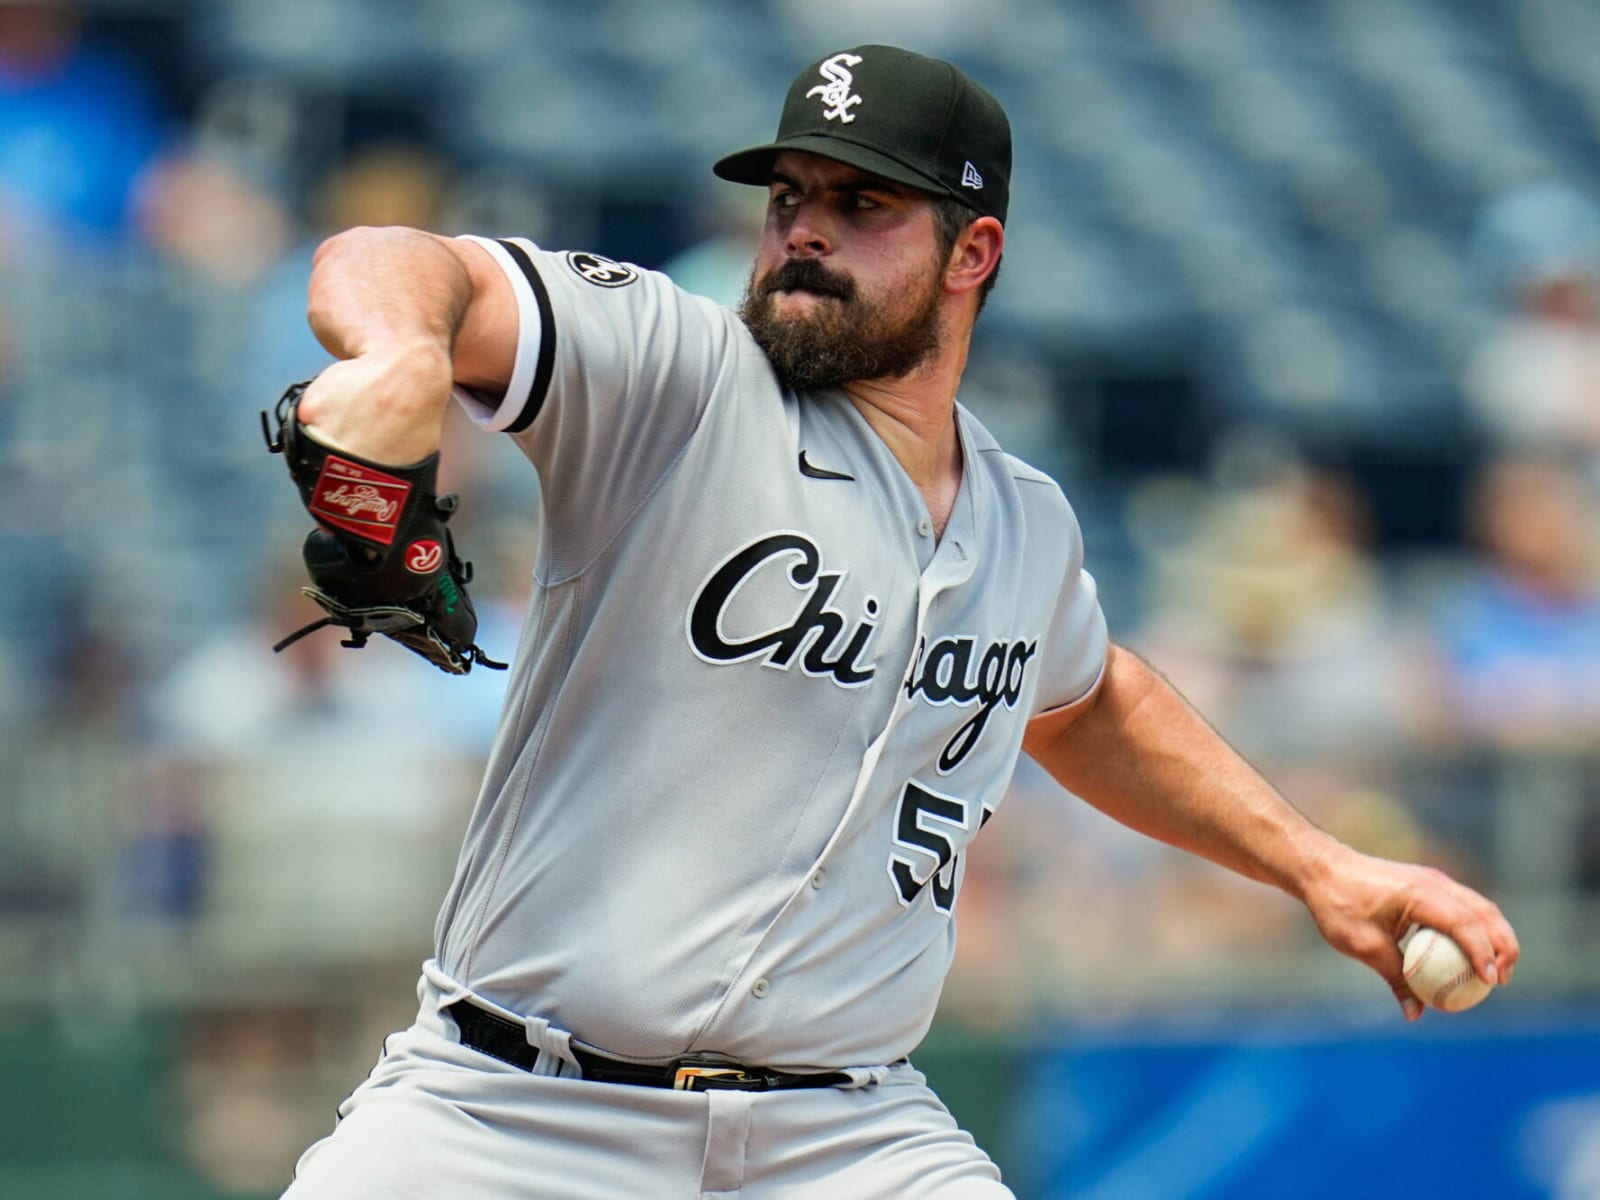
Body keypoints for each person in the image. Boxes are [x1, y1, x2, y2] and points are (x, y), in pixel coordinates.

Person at [276, 45, 1519, 1199]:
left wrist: (1323, 868)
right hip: (512, 1116)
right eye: (787, 199)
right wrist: (398, 352)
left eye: (861, 205)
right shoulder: (677, 379)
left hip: (841, 1137)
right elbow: (401, 259)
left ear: (971, 252)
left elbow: (1085, 700)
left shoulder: (1025, 525)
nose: (804, 232)